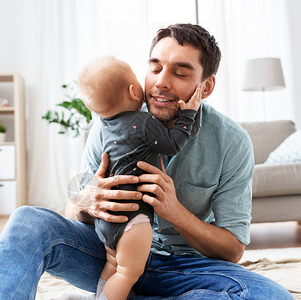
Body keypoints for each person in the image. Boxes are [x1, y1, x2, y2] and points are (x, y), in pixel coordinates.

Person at [0, 23, 294, 300]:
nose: (161, 82)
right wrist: (89, 202)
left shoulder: (231, 141)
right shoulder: (111, 124)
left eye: (179, 72)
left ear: (205, 86)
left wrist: (174, 211)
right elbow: (73, 211)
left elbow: (232, 250)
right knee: (29, 221)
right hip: (110, 256)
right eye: (154, 68)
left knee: (268, 296)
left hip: (188, 268)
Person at [76, 56, 201, 300]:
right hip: (134, 219)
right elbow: (173, 144)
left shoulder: (106, 127)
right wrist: (188, 115)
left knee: (113, 265)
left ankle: (100, 295)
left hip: (107, 223)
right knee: (127, 273)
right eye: (153, 69)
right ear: (135, 91)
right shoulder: (144, 122)